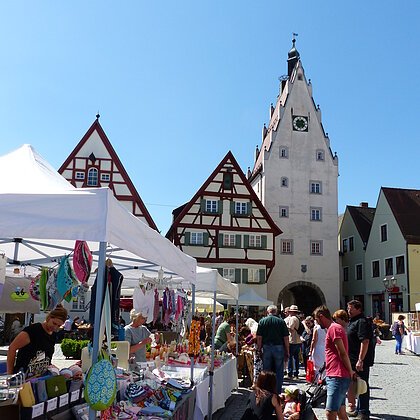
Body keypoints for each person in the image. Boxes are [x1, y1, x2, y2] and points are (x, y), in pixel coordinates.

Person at [313, 305, 355, 420]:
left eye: (316, 319)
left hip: (337, 375)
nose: (316, 322)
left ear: (321, 316)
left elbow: (342, 352)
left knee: (330, 412)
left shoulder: (334, 328)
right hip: (337, 374)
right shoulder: (335, 328)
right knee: (341, 412)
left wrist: (350, 371)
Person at [7, 305, 68, 376]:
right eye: (54, 323)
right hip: (24, 375)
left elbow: (46, 356)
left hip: (41, 377)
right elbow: (12, 348)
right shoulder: (33, 330)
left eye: (59, 326)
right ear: (49, 317)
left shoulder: (53, 335)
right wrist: (10, 374)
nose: (55, 327)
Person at [347, 300, 374, 420]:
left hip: (360, 360)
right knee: (357, 385)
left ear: (358, 309)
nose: (348, 311)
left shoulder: (362, 322)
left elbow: (365, 341)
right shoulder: (354, 321)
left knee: (362, 384)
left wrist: (360, 359)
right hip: (353, 359)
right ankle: (358, 409)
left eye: (351, 308)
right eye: (348, 308)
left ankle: (364, 411)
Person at [256, 305, 290, 393]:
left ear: (268, 312)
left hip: (266, 347)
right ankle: (277, 391)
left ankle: (267, 390)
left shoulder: (262, 321)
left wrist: (259, 349)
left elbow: (259, 337)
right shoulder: (281, 321)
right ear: (276, 312)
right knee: (279, 370)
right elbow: (286, 337)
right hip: (279, 347)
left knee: (266, 370)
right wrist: (287, 350)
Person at [284, 305, 302, 380]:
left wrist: (284, 326)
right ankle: (296, 373)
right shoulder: (297, 318)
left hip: (292, 340)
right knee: (296, 358)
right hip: (297, 340)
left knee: (290, 357)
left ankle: (290, 373)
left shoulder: (292, 318)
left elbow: (291, 329)